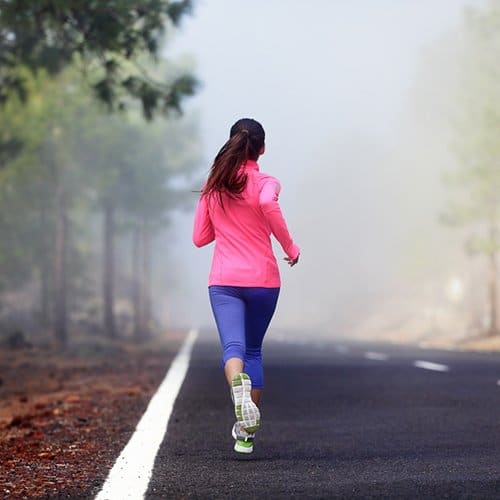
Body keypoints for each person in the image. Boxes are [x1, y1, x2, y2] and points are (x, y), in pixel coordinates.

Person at [192, 118, 300, 454]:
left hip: (225, 282)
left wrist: (222, 217)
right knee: (253, 350)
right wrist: (290, 248)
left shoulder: (215, 185)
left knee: (233, 350)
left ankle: (237, 392)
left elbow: (199, 237)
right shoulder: (267, 182)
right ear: (262, 149)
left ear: (233, 144)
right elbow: (268, 204)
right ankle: (245, 433)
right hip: (263, 281)